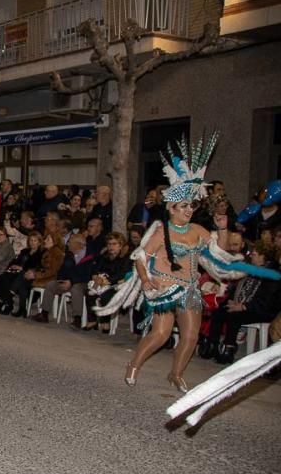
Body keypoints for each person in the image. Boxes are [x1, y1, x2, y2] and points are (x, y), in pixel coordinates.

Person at [97, 134, 281, 392]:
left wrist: (223, 228)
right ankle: (134, 364)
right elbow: (140, 256)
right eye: (184, 206)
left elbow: (222, 251)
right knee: (161, 334)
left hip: (190, 288)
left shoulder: (198, 230)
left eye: (192, 206)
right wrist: (147, 279)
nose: (189, 210)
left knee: (191, 336)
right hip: (164, 289)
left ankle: (176, 373)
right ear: (171, 207)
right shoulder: (161, 231)